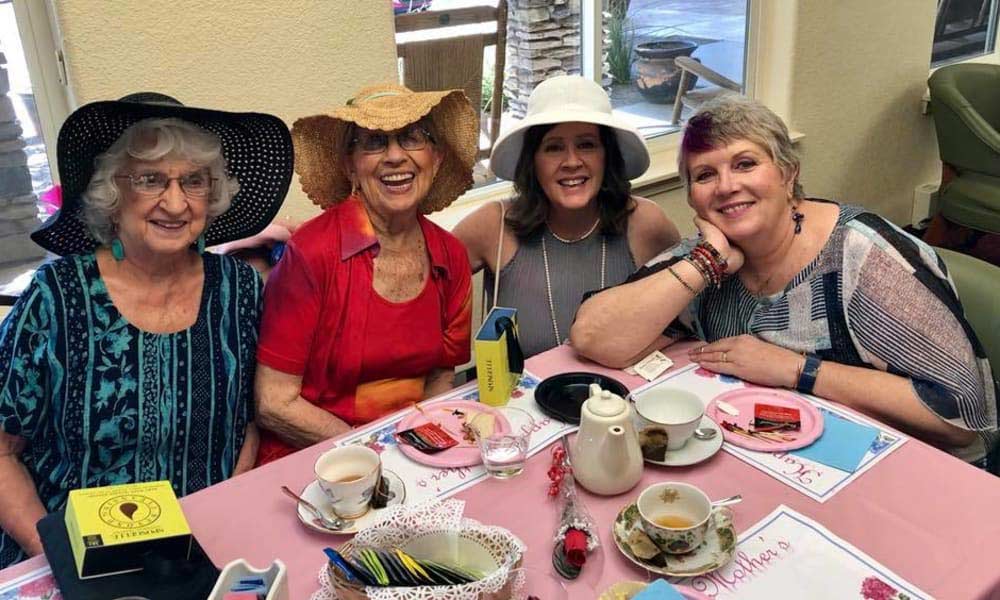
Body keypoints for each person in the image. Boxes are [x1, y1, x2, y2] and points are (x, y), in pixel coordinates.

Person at [571, 95, 998, 466]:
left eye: (745, 163)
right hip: (780, 457)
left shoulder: (861, 255)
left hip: (911, 470)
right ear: (691, 197)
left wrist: (797, 370)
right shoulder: (710, 256)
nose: (726, 186)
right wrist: (706, 262)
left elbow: (960, 414)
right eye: (704, 175)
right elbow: (592, 336)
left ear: (787, 173)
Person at [0, 93, 294, 567]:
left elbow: (250, 418)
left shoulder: (239, 289)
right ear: (111, 194)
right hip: (76, 550)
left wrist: (226, 509)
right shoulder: (56, 296)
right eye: (150, 180)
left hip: (203, 542)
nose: (175, 203)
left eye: (193, 182)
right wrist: (53, 556)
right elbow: (1, 453)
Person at [254, 83, 476, 465]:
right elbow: (274, 402)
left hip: (413, 453)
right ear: (350, 165)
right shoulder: (312, 253)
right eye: (374, 142)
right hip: (317, 460)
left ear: (436, 158)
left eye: (412, 138)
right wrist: (378, 453)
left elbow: (440, 379)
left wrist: (422, 456)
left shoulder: (450, 255)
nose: (395, 157)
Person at [454, 76, 680, 358]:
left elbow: (684, 322)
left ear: (606, 155)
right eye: (553, 147)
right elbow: (423, 295)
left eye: (586, 145)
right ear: (532, 160)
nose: (572, 162)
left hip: (618, 398)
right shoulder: (493, 225)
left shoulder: (646, 223)